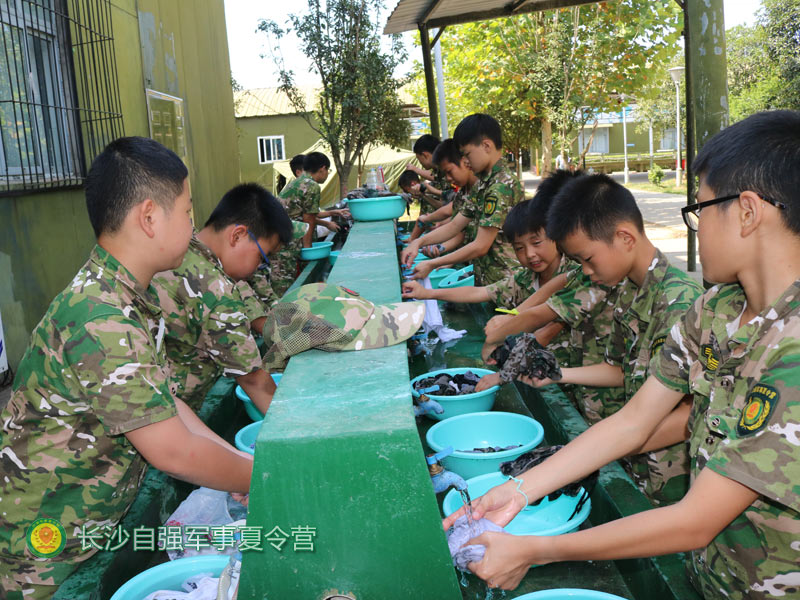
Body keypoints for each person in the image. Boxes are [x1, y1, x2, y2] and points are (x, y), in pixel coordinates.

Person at [446, 111, 800, 599]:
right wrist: (519, 491)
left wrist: (534, 549)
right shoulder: (716, 309)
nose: (695, 229)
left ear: (746, 211)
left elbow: (696, 520)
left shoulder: (794, 350)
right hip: (710, 577)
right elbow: (635, 420)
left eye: (699, 210)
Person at [0, 137, 253, 599]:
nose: (194, 226)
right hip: (43, 550)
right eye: (188, 211)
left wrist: (241, 466)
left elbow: (166, 403)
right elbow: (173, 451)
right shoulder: (100, 319)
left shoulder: (126, 297)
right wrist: (263, 478)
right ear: (151, 217)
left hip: (82, 528)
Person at [151, 183, 293, 413]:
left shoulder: (183, 253)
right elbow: (255, 381)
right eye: (262, 257)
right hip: (164, 418)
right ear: (237, 235)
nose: (258, 268)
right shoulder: (216, 291)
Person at [401, 114, 524, 286]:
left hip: (506, 282)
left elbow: (481, 246)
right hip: (489, 281)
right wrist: (418, 242)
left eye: (467, 154)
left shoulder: (501, 186)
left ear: (486, 145)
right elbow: (455, 225)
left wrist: (434, 263)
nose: (466, 161)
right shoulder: (483, 184)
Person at [270, 151, 347, 296]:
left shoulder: (296, 182)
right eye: (328, 171)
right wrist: (308, 249)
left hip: (278, 241)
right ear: (323, 168)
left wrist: (332, 214)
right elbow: (308, 220)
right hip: (285, 245)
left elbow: (304, 214)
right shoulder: (311, 186)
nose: (327, 174)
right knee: (286, 291)